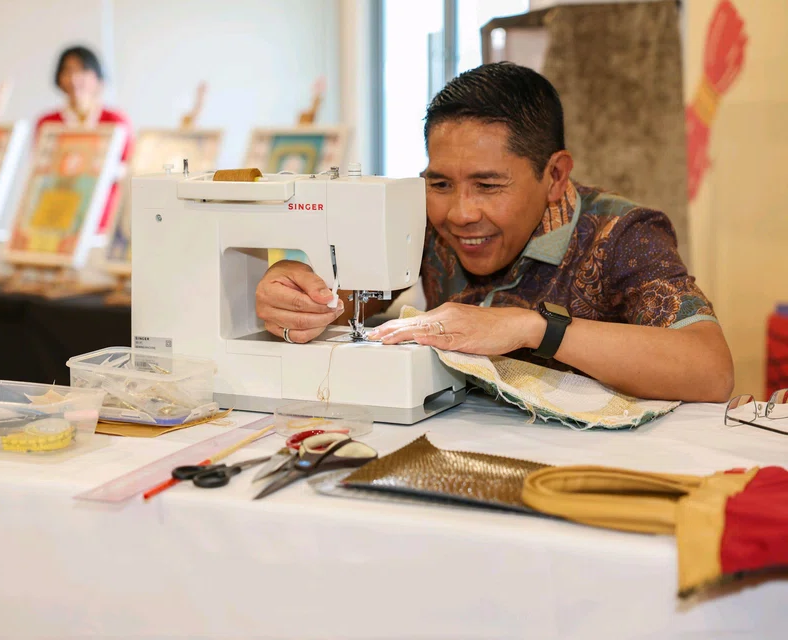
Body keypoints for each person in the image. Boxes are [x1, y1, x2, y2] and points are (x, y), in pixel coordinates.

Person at [254, 63, 734, 403]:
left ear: (555, 176)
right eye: (440, 183)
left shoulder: (623, 234)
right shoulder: (424, 222)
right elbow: (360, 296)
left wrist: (534, 329)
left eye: (488, 185)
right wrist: (303, 296)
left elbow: (711, 371)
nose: (460, 213)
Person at [36, 45, 132, 231]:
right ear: (59, 78)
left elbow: (128, 167)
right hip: (57, 212)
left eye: (82, 70)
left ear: (97, 77)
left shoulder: (115, 120)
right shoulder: (47, 123)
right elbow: (41, 171)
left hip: (104, 215)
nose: (74, 78)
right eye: (67, 71)